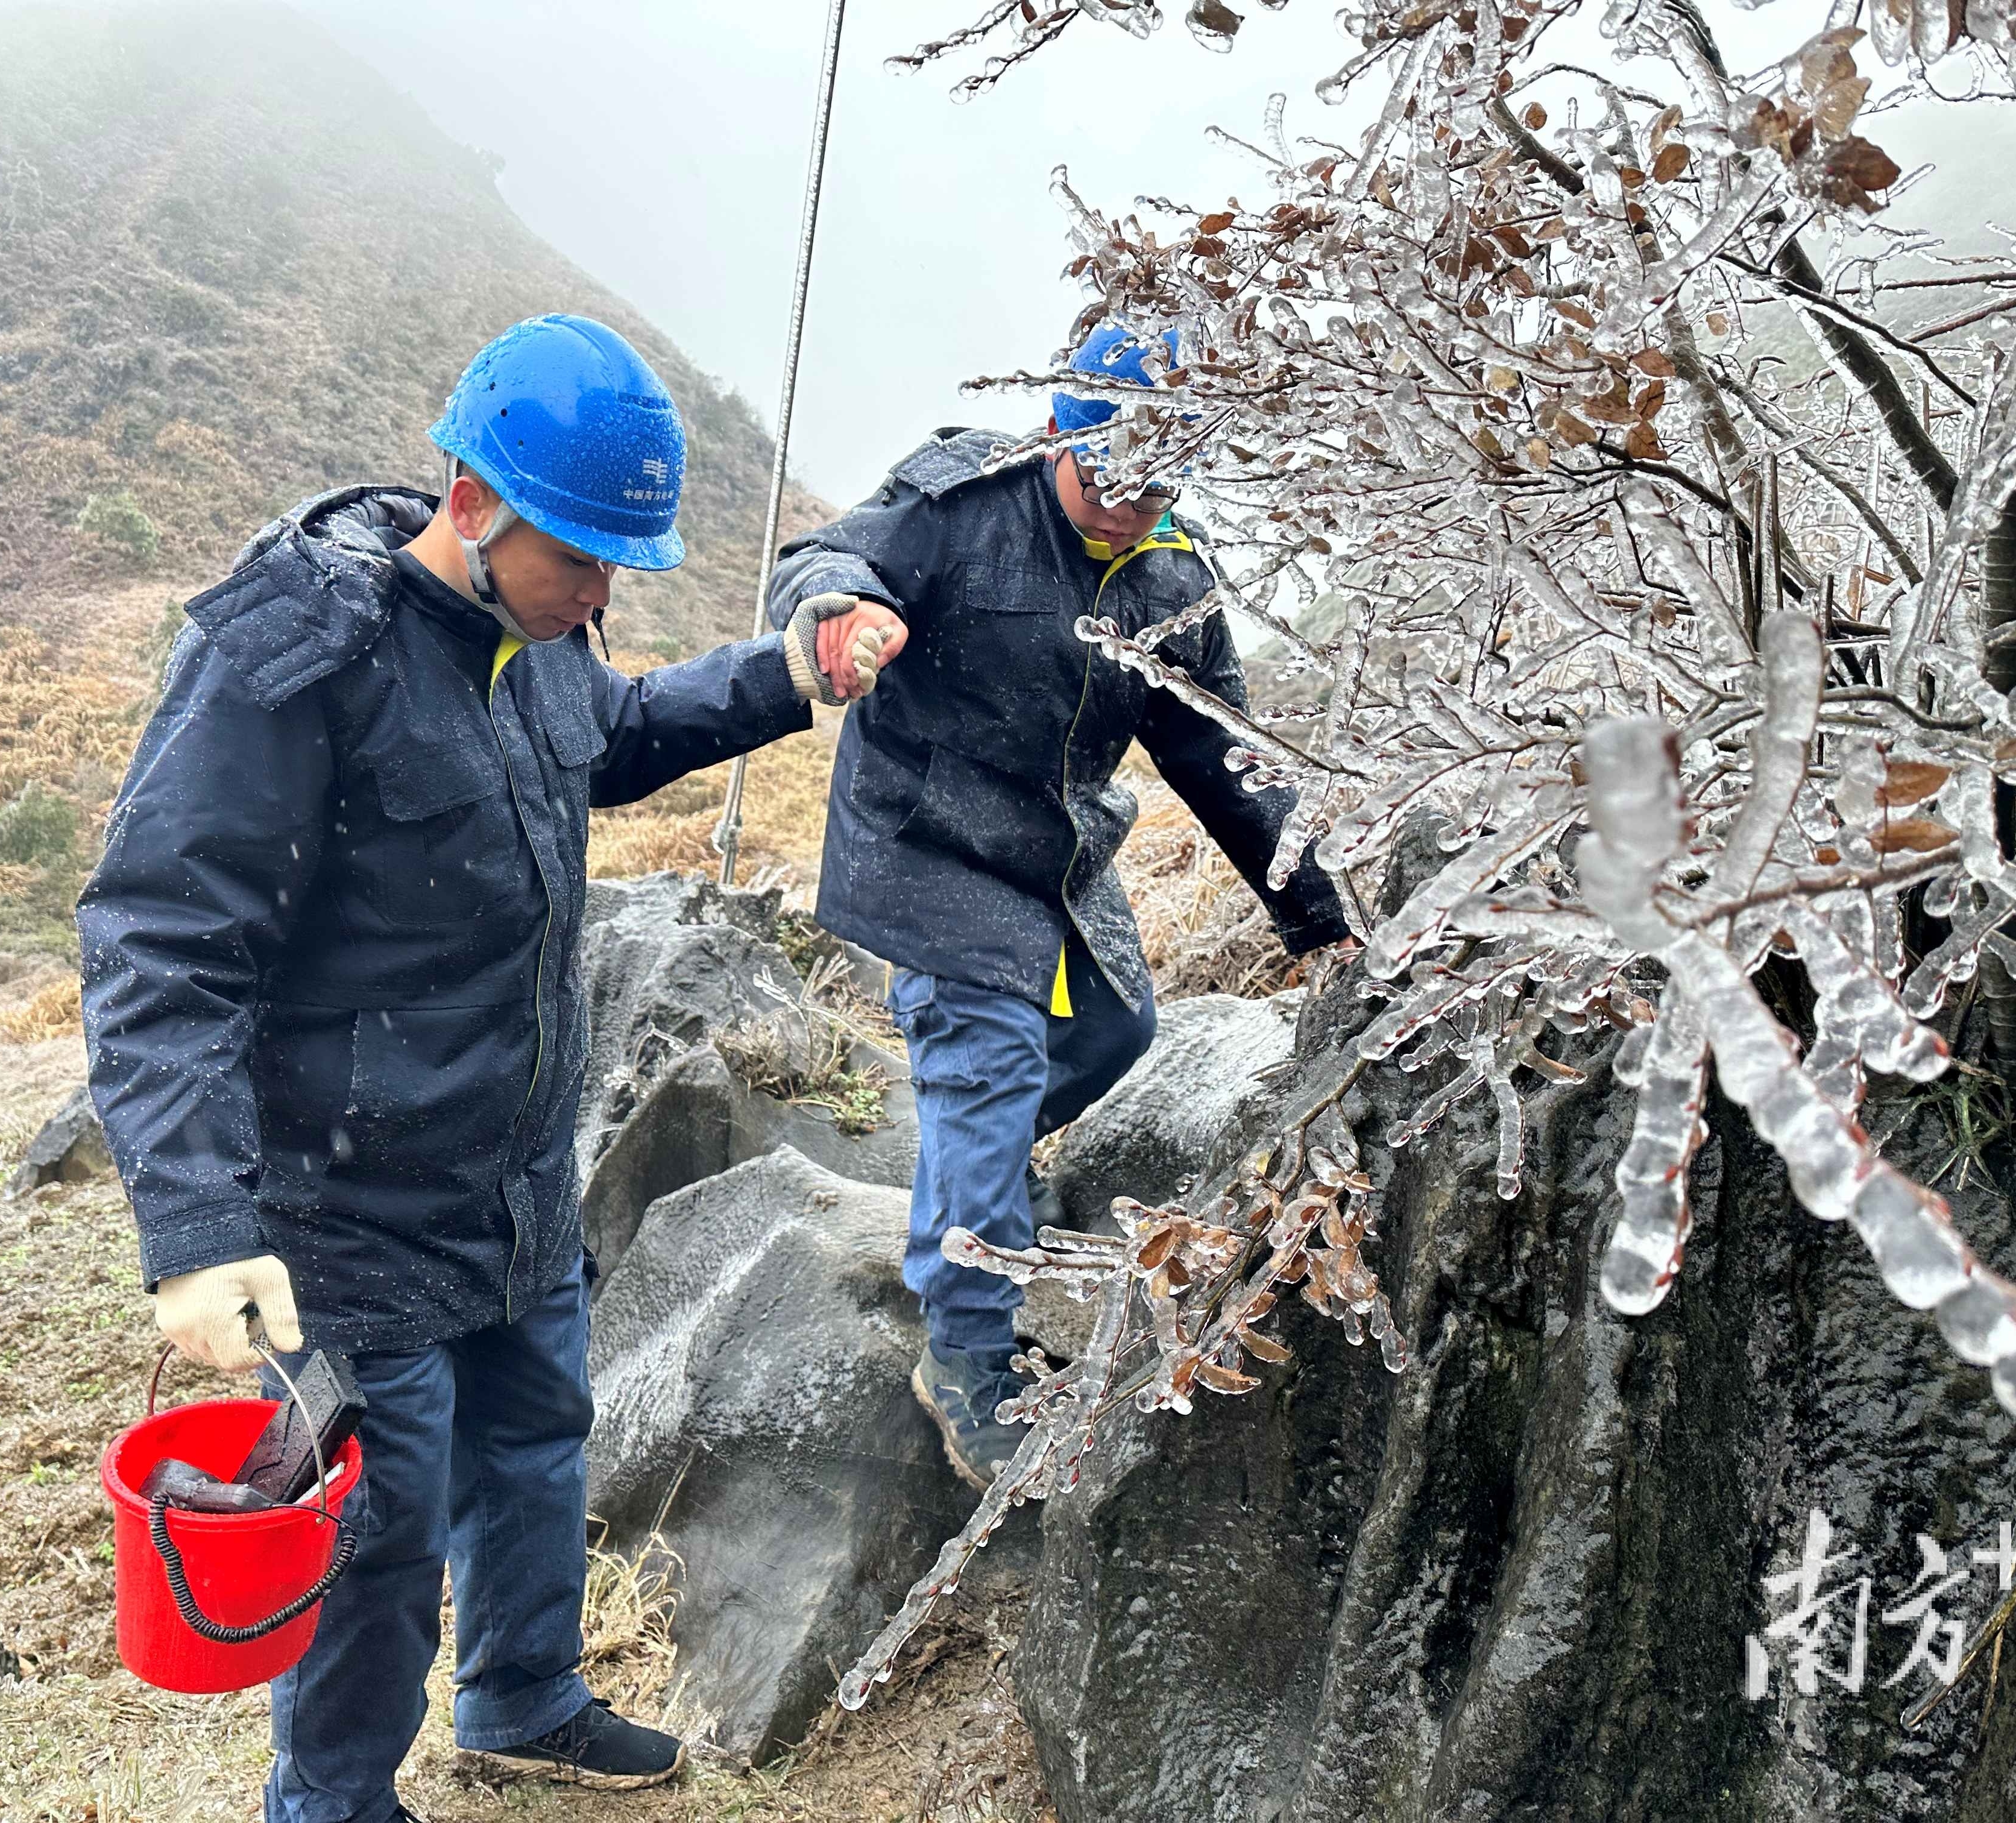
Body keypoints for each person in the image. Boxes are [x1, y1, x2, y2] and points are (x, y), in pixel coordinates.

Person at [78, 314, 897, 1823]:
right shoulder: (301, 656)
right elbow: (160, 939)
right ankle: (333, 1802)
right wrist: (194, 1228)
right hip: (339, 1202)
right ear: (474, 507)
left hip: (514, 1164)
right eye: (580, 560)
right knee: (378, 1529)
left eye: (612, 567)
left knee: (535, 1439)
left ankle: (521, 1694)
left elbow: (619, 730)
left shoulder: (535, 641)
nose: (601, 595)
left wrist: (788, 675)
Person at [767, 321, 1350, 1489]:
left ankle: (974, 1172)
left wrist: (1317, 920)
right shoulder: (962, 504)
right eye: (1111, 475)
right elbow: (824, 557)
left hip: (1055, 855)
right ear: (1060, 437)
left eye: (1160, 480)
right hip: (929, 842)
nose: (1133, 504)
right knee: (987, 1067)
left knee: (1116, 1030)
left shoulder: (1175, 579)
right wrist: (841, 608)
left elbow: (1224, 758)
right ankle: (969, 1364)